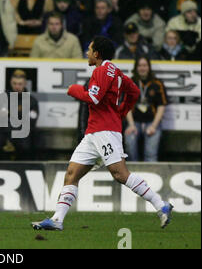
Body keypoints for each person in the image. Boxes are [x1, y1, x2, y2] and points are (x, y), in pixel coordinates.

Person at [31, 36, 173, 231]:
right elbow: (134, 92)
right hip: (94, 132)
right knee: (72, 173)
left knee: (120, 174)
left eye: (89, 50)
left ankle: (160, 204)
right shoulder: (115, 71)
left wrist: (74, 90)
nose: (86, 53)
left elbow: (93, 98)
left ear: (97, 54)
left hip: (105, 131)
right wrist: (121, 112)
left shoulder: (101, 70)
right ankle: (57, 219)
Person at [124, 56, 168, 162]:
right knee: (130, 145)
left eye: (144, 65)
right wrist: (131, 124)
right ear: (136, 67)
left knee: (151, 153)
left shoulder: (157, 84)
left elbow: (161, 106)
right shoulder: (130, 82)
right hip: (135, 122)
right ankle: (132, 175)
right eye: (139, 66)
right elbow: (127, 105)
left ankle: (151, 177)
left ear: (149, 67)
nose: (142, 68)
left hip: (152, 122)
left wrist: (154, 126)